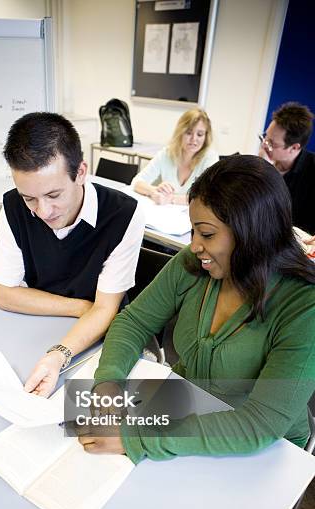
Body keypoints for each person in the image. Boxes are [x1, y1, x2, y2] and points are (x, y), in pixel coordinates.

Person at [77, 155, 315, 462]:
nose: (194, 245)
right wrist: (108, 380)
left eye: (207, 234)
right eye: (193, 231)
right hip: (182, 412)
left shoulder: (303, 307)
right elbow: (134, 322)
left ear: (251, 233)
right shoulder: (195, 264)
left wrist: (135, 437)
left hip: (264, 450)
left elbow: (260, 425)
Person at [0, 112, 145, 397]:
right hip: (38, 327)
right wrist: (81, 307)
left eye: (53, 195)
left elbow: (106, 310)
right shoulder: (13, 205)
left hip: (99, 340)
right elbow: (3, 294)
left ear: (81, 172)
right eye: (30, 199)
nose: (43, 212)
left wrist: (58, 354)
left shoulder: (125, 215)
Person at [131, 108, 219, 205]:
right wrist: (154, 191)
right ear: (180, 132)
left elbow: (207, 197)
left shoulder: (210, 158)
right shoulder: (167, 154)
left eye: (200, 134)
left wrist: (171, 199)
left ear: (206, 136)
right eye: (189, 133)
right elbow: (136, 182)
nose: (194, 139)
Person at [259, 101, 315, 235]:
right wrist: (261, 168)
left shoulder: (312, 170)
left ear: (294, 148)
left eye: (272, 143)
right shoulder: (266, 161)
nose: (264, 146)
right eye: (265, 137)